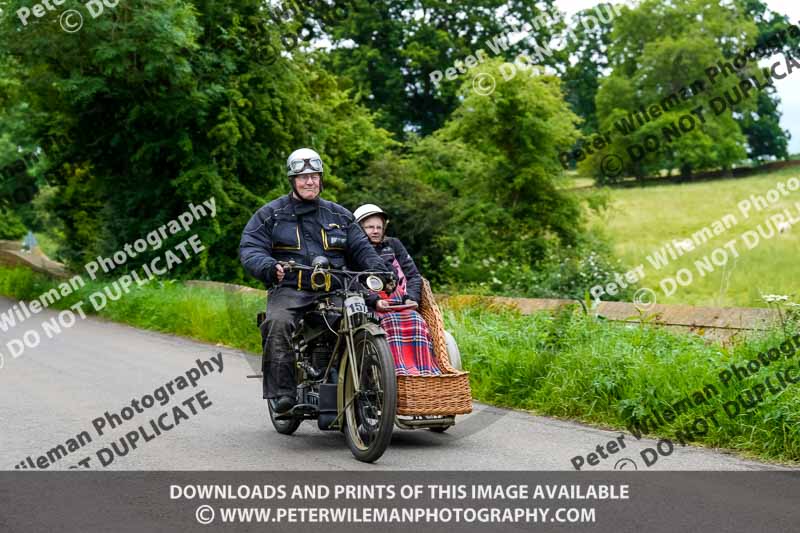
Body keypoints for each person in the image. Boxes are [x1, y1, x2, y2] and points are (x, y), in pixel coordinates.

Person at [239, 148, 389, 414]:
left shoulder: (340, 216)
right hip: (290, 288)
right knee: (277, 324)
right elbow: (250, 248)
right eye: (303, 176)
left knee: (366, 321)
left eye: (314, 176)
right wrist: (269, 267)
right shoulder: (271, 214)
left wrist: (379, 272)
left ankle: (370, 389)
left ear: (321, 179)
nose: (310, 181)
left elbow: (363, 249)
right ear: (292, 181)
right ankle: (283, 392)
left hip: (337, 288)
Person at [353, 204, 441, 376]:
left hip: (400, 303)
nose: (376, 231)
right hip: (371, 306)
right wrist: (375, 301)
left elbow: (414, 276)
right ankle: (395, 373)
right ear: (358, 228)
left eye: (379, 227)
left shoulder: (393, 245)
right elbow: (352, 281)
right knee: (388, 323)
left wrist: (411, 298)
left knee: (417, 321)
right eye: (370, 227)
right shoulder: (353, 250)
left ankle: (423, 372)